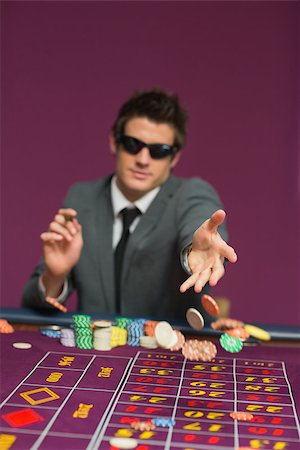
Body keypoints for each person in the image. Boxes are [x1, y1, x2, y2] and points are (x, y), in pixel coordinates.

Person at [22, 88, 237, 319]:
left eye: (159, 151)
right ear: (114, 142)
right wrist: (55, 275)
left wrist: (195, 247)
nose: (143, 160)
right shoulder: (81, 198)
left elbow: (201, 216)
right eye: (133, 144)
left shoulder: (191, 193)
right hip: (97, 351)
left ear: (174, 157)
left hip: (167, 350)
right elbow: (29, 306)